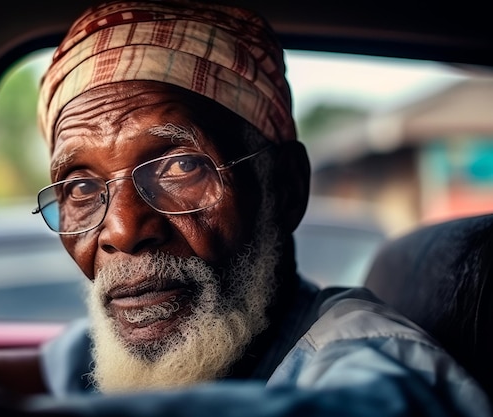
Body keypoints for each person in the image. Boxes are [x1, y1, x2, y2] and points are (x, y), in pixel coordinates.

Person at [28, 0, 491, 414]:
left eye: (180, 166)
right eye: (81, 188)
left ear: (285, 188)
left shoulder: (376, 365)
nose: (124, 229)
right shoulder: (92, 352)